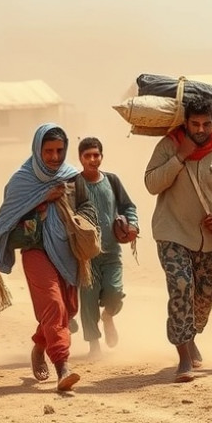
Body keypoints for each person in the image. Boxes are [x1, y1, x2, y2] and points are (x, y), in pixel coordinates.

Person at [144, 95, 212, 383]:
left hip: (208, 240)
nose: (200, 130)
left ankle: (191, 334)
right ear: (186, 123)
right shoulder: (167, 146)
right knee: (181, 285)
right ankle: (183, 355)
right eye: (194, 124)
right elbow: (151, 184)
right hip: (171, 232)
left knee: (205, 296)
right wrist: (180, 156)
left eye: (205, 124)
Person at [0, 123, 87, 392]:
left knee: (68, 309)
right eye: (48, 151)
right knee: (54, 305)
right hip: (35, 250)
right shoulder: (21, 180)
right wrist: (43, 197)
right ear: (37, 150)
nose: (55, 157)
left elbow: (87, 205)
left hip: (68, 251)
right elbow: (6, 218)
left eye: (59, 150)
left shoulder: (72, 177)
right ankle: (62, 366)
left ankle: (39, 344)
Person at [76, 137, 139, 357]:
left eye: (96, 155)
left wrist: (132, 224)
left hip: (112, 251)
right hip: (86, 256)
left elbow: (128, 206)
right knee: (88, 301)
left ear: (102, 156)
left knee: (115, 292)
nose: (93, 159)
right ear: (80, 158)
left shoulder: (112, 181)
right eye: (88, 156)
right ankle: (94, 344)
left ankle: (109, 316)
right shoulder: (73, 184)